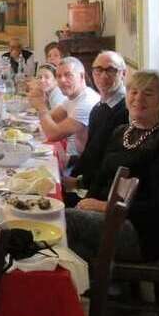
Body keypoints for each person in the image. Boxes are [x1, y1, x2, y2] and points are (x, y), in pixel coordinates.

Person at [65, 70, 159, 263]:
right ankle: (94, 283)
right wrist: (84, 201)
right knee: (51, 211)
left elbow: (158, 206)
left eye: (148, 93)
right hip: (105, 217)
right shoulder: (121, 132)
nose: (139, 98)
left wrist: (104, 207)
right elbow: (99, 179)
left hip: (138, 230)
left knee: (64, 221)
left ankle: (97, 282)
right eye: (134, 92)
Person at [64, 51, 129, 205]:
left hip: (102, 194)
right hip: (88, 183)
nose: (103, 76)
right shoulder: (99, 108)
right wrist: (74, 175)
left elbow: (109, 163)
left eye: (111, 70)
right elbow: (91, 152)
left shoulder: (125, 111)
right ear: (92, 73)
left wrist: (79, 183)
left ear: (123, 74)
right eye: (98, 70)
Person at [27, 57, 99, 166]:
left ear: (81, 76)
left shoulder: (86, 102)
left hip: (84, 165)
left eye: (68, 75)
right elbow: (51, 118)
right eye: (59, 76)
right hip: (74, 158)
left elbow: (53, 134)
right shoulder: (72, 97)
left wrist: (41, 106)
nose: (62, 80)